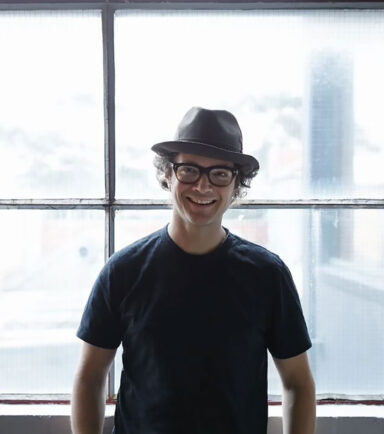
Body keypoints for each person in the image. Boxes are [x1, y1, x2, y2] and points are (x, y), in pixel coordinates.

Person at [71, 107, 315, 434]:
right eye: (189, 170)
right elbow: (90, 377)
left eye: (219, 174)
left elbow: (298, 383)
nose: (202, 187)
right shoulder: (124, 272)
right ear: (168, 175)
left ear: (236, 185)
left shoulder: (268, 276)